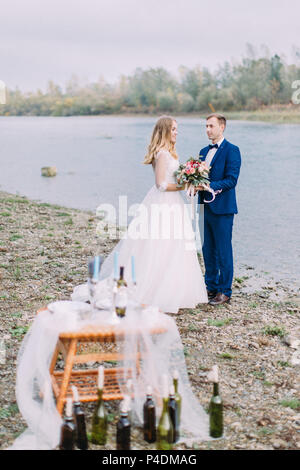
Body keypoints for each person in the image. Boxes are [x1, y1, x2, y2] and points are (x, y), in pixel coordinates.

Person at [96, 115, 208, 313]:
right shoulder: (162, 154)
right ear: (165, 131)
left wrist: (189, 182)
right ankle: (154, 289)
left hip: (173, 204)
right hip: (163, 203)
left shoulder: (170, 153)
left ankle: (174, 289)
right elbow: (161, 184)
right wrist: (185, 185)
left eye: (176, 129)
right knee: (160, 245)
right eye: (173, 129)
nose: (176, 132)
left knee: (175, 245)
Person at [197, 114, 241, 306]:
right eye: (206, 126)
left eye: (211, 126)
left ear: (221, 127)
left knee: (223, 250)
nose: (208, 129)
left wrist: (209, 186)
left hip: (223, 209)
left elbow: (232, 180)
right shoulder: (202, 151)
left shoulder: (232, 150)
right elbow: (198, 178)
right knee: (208, 249)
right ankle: (211, 286)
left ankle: (225, 291)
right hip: (204, 208)